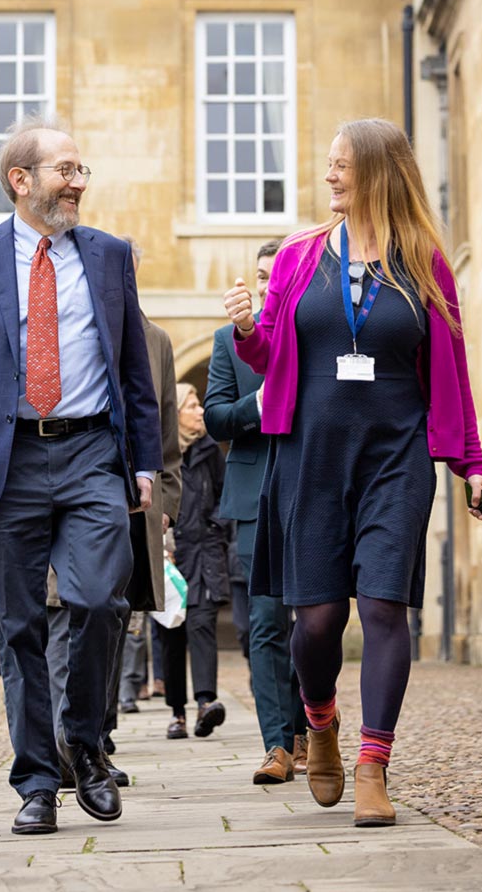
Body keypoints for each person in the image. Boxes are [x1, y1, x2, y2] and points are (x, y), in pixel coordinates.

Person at [223, 118, 482, 829]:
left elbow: (452, 374)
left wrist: (474, 465)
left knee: (381, 608)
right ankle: (322, 724)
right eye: (330, 163)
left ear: (377, 171)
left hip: (395, 457)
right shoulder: (298, 255)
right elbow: (272, 355)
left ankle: (374, 764)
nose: (331, 175)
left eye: (343, 164)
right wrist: (249, 331)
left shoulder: (425, 261)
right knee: (315, 622)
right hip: (310, 457)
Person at [0, 114, 163, 837]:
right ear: (21, 181)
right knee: (19, 628)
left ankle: (84, 744)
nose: (79, 182)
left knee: (95, 602)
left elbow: (134, 371)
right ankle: (36, 781)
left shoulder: (111, 256)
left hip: (92, 453)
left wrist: (144, 462)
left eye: (82, 171)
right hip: (5, 459)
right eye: (66, 170)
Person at [46, 236, 182, 768]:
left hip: (134, 504)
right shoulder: (61, 325)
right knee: (65, 615)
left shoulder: (156, 341)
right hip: (72, 494)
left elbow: (165, 428)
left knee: (111, 620)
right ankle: (65, 746)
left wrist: (164, 503)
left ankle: (97, 741)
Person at [204, 238, 309, 786]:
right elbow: (216, 417)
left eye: (280, 276)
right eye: (263, 277)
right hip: (252, 496)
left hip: (312, 491)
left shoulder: (314, 333)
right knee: (264, 625)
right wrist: (259, 404)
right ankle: (277, 744)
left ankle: (310, 726)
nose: (271, 286)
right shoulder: (228, 342)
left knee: (313, 622)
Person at [161, 384, 229, 741]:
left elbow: (224, 494)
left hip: (203, 553)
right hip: (168, 556)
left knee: (202, 626)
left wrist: (214, 529)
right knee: (171, 635)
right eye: (192, 406)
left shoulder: (210, 450)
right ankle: (177, 714)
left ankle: (205, 702)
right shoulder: (158, 452)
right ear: (175, 414)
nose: (200, 411)